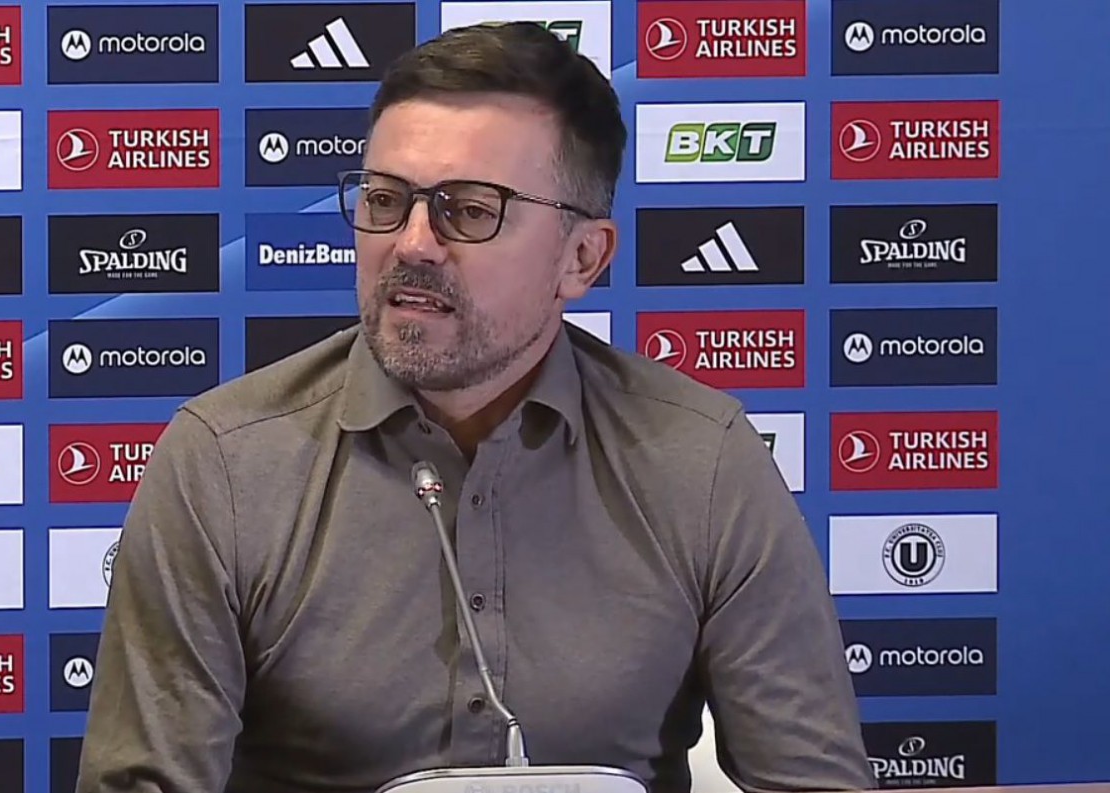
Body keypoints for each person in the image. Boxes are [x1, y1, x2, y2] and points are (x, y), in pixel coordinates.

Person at [75, 21, 876, 793]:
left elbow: (810, 779)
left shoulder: (702, 459)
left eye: (468, 209)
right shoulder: (225, 462)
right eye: (386, 200)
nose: (412, 243)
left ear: (581, 258)